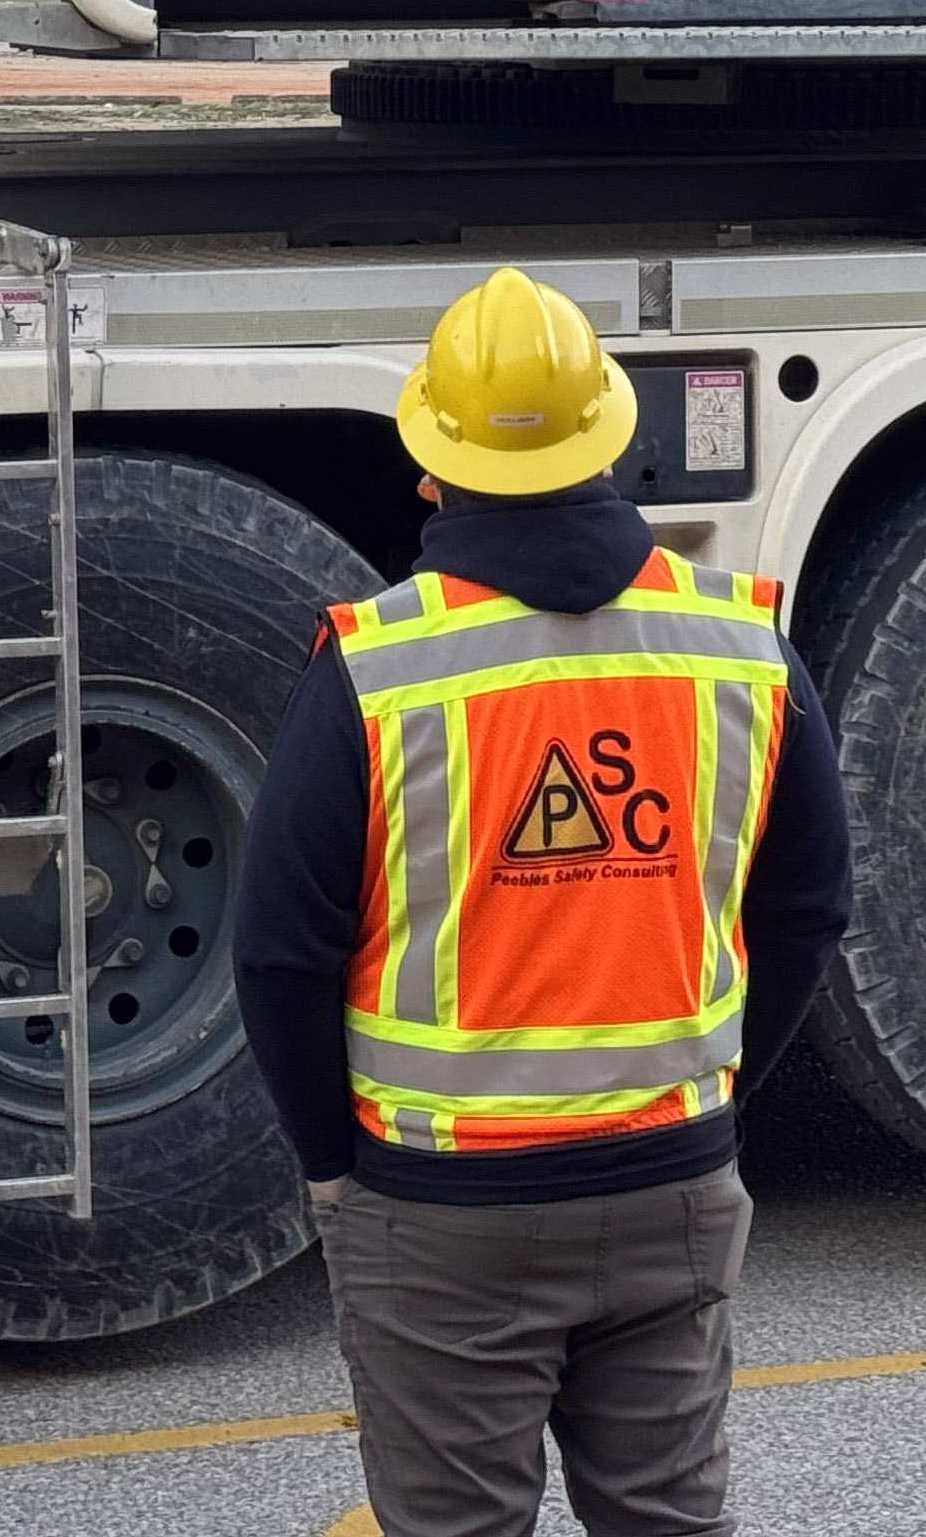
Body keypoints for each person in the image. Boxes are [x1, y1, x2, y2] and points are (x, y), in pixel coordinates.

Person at [233, 270, 851, 1537]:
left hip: (441, 1212)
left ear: (431, 472)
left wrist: (333, 1171)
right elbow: (808, 911)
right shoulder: (739, 646)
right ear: (612, 444)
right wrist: (715, 1097)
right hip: (672, 1183)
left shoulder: (379, 669)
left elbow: (281, 956)